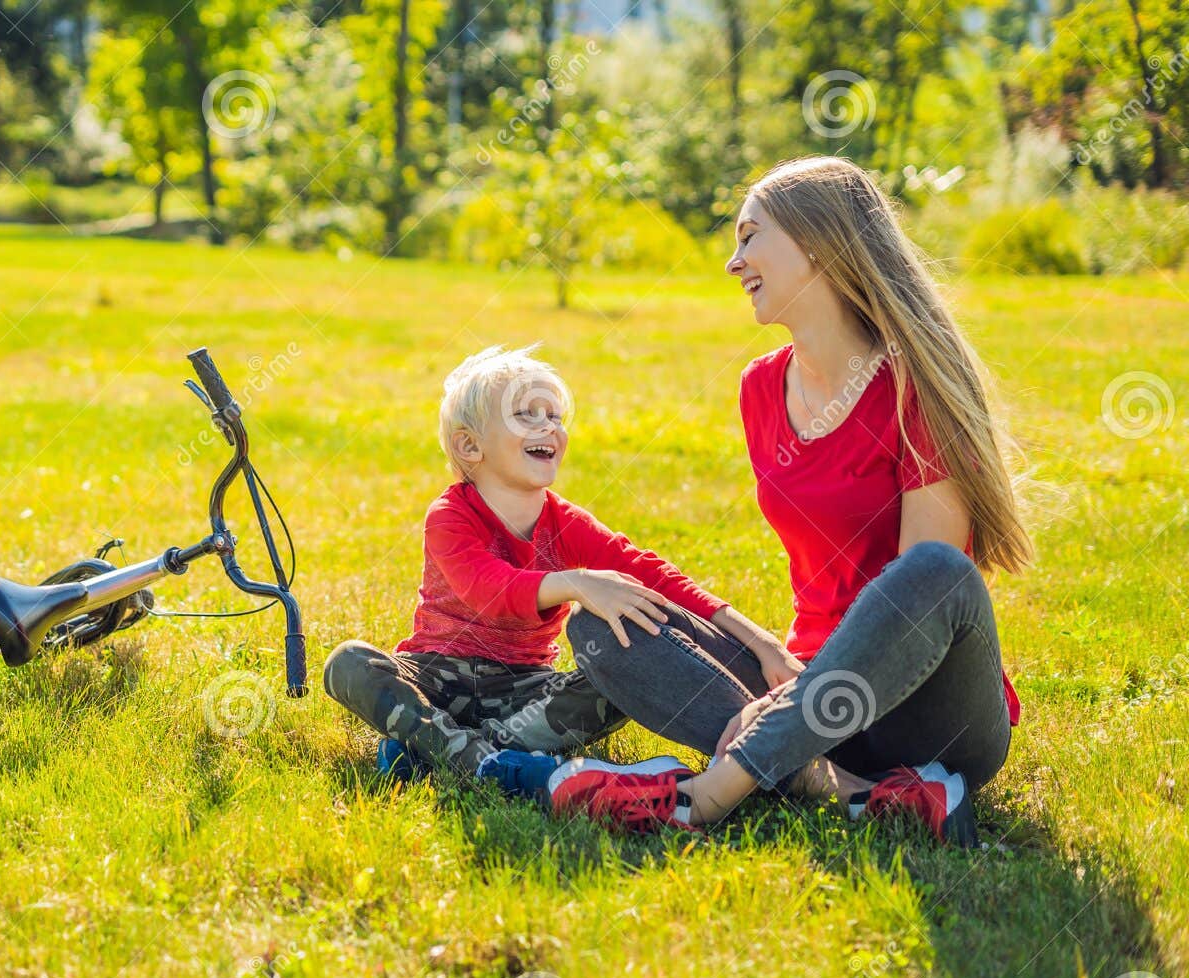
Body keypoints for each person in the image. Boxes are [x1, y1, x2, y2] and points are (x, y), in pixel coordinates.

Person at [564, 156, 1031, 847]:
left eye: (750, 236)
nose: (733, 261)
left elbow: (918, 599)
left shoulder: (915, 384)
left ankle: (724, 785)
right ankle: (853, 791)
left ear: (816, 242)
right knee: (606, 624)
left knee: (937, 571)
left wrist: (787, 704)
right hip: (815, 697)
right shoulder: (760, 390)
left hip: (925, 708)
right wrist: (782, 675)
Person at [322, 344, 796, 818]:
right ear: (471, 446)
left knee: (620, 672)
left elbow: (658, 578)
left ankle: (439, 750)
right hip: (435, 674)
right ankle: (486, 762)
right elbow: (488, 590)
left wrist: (762, 643)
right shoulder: (450, 516)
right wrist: (577, 582)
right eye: (526, 415)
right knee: (349, 663)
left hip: (525, 691)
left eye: (554, 415)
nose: (548, 425)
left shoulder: (565, 520)